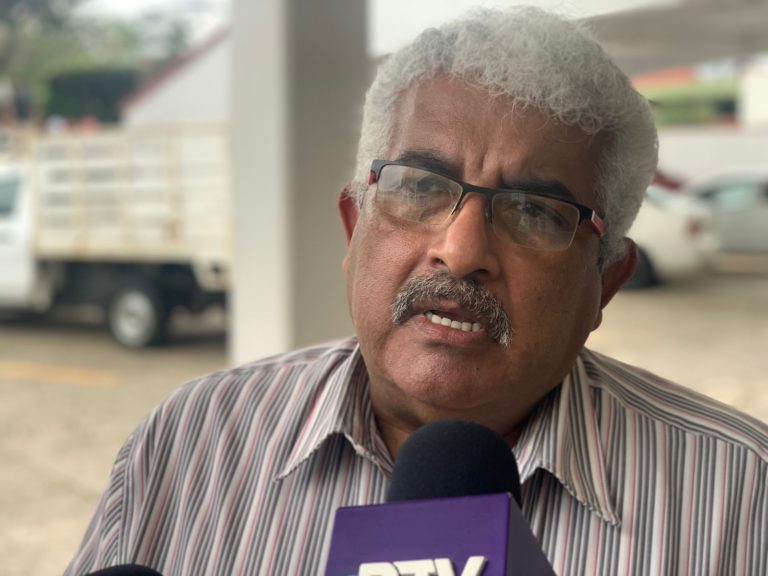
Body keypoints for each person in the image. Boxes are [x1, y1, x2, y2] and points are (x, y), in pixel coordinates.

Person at [65, 7, 767, 575]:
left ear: (605, 284)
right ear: (354, 229)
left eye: (534, 211)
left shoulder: (742, 497)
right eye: (422, 187)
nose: (461, 252)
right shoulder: (189, 441)